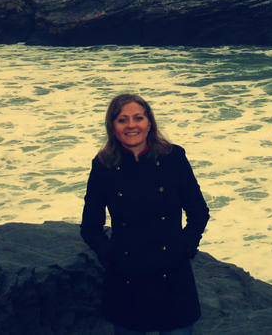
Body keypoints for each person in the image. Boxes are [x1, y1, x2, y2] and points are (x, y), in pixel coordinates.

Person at [81, 93, 210, 335]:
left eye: (138, 118)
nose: (131, 125)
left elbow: (199, 212)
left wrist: (185, 249)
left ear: (149, 123)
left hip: (172, 274)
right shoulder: (103, 165)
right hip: (127, 277)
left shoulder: (173, 157)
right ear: (112, 126)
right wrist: (111, 258)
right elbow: (90, 227)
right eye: (122, 120)